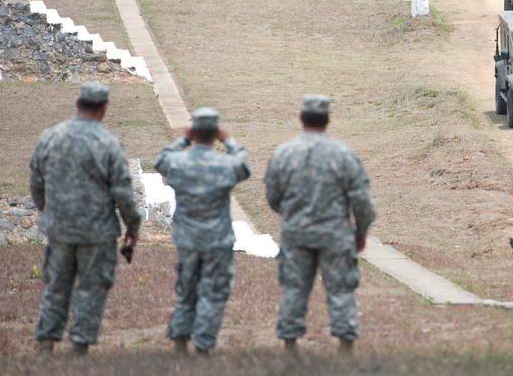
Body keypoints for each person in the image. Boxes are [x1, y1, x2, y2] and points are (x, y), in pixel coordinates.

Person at [29, 81, 142, 356]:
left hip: (59, 229)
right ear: (104, 109)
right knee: (92, 287)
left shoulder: (50, 137)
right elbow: (122, 192)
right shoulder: (109, 144)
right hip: (97, 232)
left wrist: (49, 212)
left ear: (78, 104)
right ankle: (79, 346)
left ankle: (46, 344)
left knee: (56, 285)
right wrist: (133, 225)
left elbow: (36, 182)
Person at [265, 95, 376, 356]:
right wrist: (360, 232)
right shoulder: (343, 154)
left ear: (301, 118)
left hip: (296, 234)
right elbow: (362, 201)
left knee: (294, 288)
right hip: (335, 235)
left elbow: (273, 196)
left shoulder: (284, 153)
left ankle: (290, 348)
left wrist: (292, 216)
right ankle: (345, 348)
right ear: (328, 119)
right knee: (340, 289)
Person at [153, 107, 251, 356]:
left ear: (193, 131)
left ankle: (180, 338)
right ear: (215, 131)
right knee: (214, 292)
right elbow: (244, 165)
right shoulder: (225, 163)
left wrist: (183, 139)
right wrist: (227, 139)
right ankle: (204, 345)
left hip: (187, 238)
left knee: (187, 290)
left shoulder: (177, 162)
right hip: (217, 239)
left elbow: (160, 160)